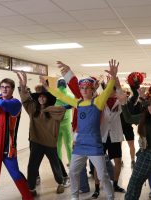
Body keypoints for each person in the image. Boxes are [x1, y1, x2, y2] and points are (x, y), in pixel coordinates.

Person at [42, 59, 119, 200]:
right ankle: (74, 197)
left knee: (102, 175)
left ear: (92, 89)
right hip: (80, 146)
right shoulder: (77, 102)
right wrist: (48, 89)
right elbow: (62, 96)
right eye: (82, 88)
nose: (83, 90)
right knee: (72, 172)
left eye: (87, 88)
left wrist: (113, 77)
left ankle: (110, 197)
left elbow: (108, 90)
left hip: (94, 146)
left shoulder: (98, 102)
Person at [17, 72, 69, 196]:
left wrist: (47, 108)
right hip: (36, 141)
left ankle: (61, 183)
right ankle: (31, 188)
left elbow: (67, 107)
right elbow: (25, 100)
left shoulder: (54, 110)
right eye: (39, 97)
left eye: (44, 96)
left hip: (50, 142)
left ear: (48, 98)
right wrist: (23, 87)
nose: (41, 98)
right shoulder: (33, 109)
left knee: (55, 164)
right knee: (32, 166)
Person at [55, 78, 73, 166]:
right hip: (67, 125)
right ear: (66, 85)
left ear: (57, 85)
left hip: (56, 124)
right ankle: (72, 162)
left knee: (57, 146)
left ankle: (59, 164)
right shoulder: (70, 96)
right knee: (68, 145)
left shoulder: (53, 96)